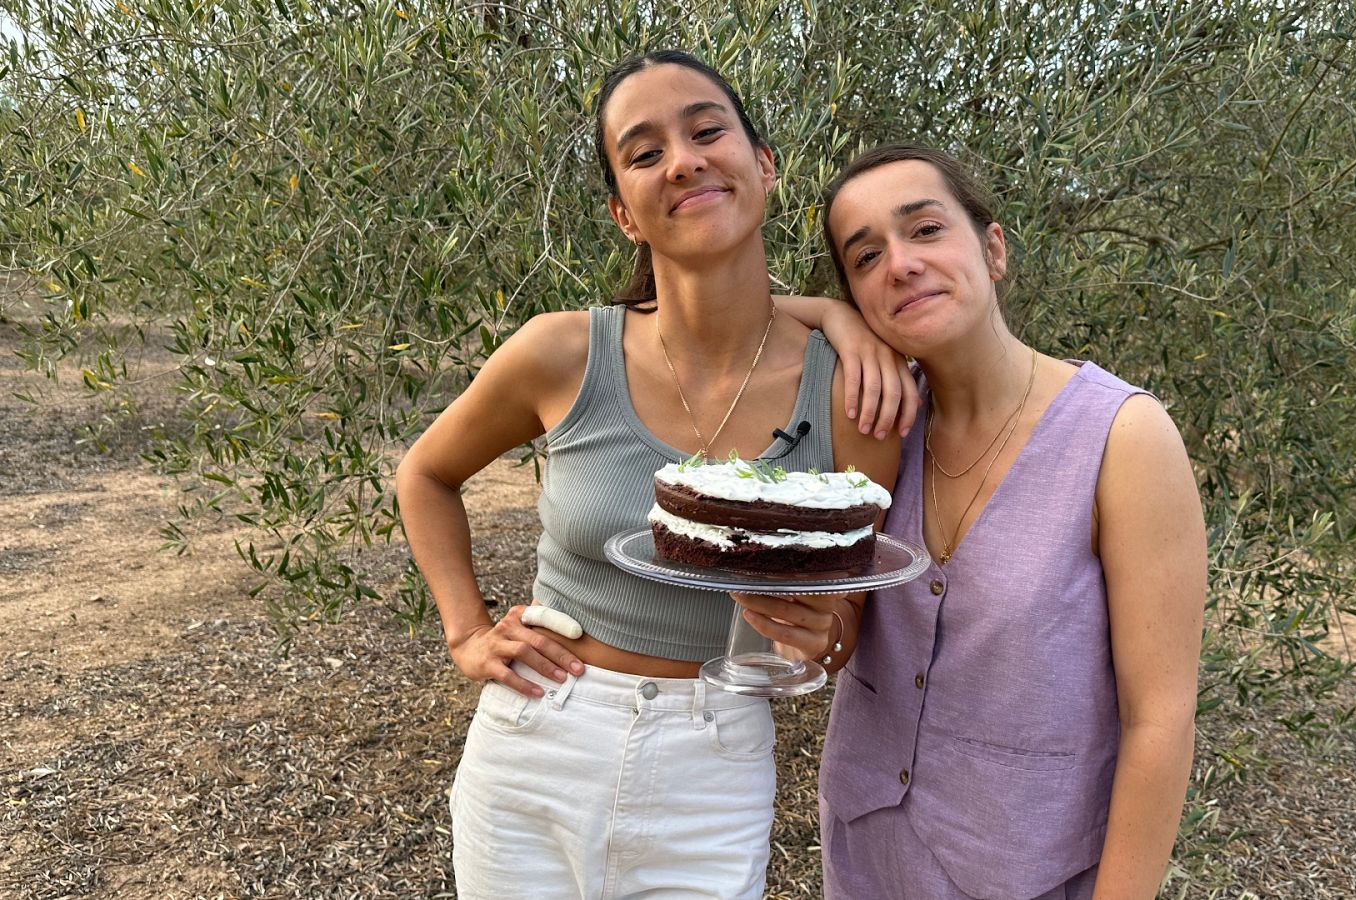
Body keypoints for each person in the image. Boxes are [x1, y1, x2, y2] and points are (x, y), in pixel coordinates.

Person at [393, 51, 900, 898]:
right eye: (645, 152)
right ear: (623, 213)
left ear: (764, 165)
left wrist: (823, 639)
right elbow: (424, 475)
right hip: (535, 739)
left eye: (707, 132)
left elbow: (847, 619)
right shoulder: (560, 353)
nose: (684, 161)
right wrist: (466, 630)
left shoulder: (853, 386)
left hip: (716, 764)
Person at [762, 146, 1207, 899]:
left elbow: (1159, 721)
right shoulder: (876, 431)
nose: (901, 265)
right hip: (864, 864)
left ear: (993, 249)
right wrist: (831, 317)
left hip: (1035, 876)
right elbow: (728, 315)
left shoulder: (1122, 439)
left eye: (926, 230)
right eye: (866, 257)